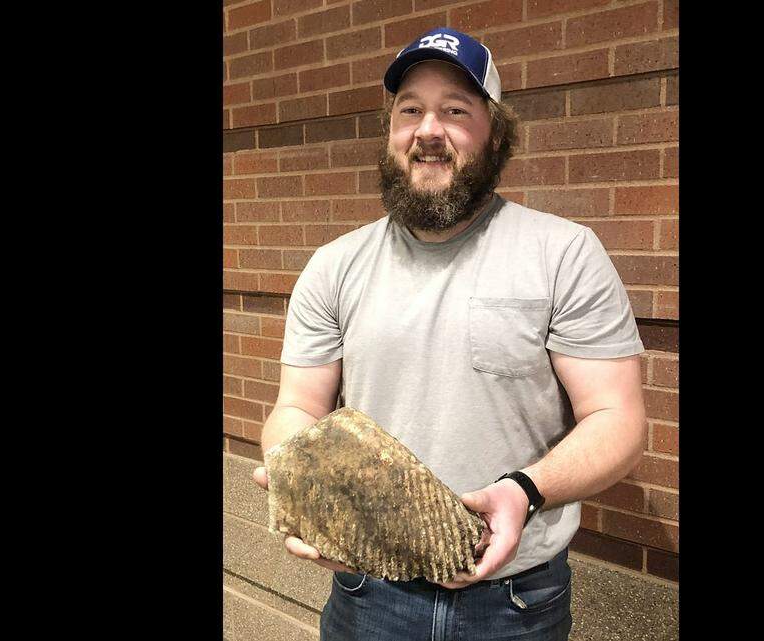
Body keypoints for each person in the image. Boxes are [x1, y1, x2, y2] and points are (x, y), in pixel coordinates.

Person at [251, 26, 648, 640]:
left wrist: (525, 490)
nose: (428, 130)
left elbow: (618, 419)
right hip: (367, 591)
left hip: (516, 600)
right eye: (410, 110)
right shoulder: (333, 266)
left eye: (455, 111)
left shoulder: (563, 253)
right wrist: (296, 478)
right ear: (391, 133)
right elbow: (298, 407)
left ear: (496, 134)